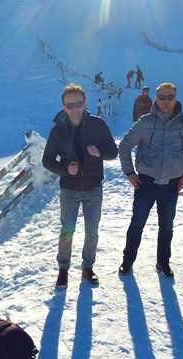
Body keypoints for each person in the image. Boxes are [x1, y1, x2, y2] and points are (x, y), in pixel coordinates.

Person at [118, 83, 183, 279]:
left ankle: (163, 262)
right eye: (162, 97)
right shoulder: (145, 122)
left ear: (176, 98)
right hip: (146, 183)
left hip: (172, 184)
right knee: (137, 223)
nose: (166, 101)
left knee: (166, 226)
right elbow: (124, 146)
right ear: (155, 99)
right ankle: (128, 261)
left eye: (170, 97)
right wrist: (130, 173)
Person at [42, 84, 118, 288]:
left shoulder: (98, 124)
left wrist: (99, 152)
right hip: (69, 189)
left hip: (94, 187)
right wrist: (66, 169)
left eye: (78, 104)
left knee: (91, 231)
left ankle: (87, 267)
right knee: (67, 231)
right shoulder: (58, 130)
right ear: (64, 107)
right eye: (69, 105)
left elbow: (113, 152)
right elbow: (47, 160)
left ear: (85, 104)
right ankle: (63, 269)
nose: (74, 109)